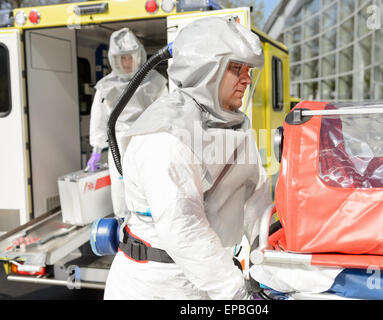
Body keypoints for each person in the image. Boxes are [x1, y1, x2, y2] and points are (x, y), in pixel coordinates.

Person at [104, 17, 272, 300]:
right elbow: (182, 227)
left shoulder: (231, 125)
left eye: (248, 70)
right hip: (157, 284)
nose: (246, 78)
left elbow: (255, 194)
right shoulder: (167, 134)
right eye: (235, 68)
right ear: (205, 71)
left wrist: (267, 260)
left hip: (205, 278)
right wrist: (235, 292)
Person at [87, 28, 168, 218]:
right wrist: (96, 151)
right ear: (114, 60)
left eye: (129, 57)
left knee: (149, 183)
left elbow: (167, 113)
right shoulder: (106, 87)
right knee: (120, 185)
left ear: (138, 56)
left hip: (148, 141)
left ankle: (151, 224)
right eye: (121, 58)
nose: (126, 63)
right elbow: (99, 119)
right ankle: (123, 226)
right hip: (119, 144)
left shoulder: (155, 81)